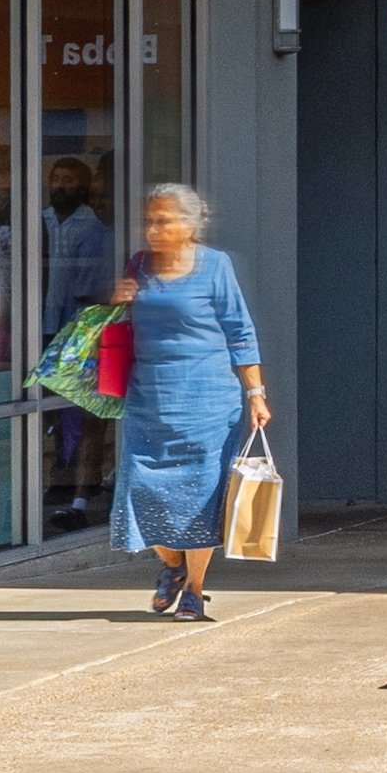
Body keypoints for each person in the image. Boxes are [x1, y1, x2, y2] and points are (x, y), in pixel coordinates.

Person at [102, 181, 270, 625]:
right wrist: (116, 303)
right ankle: (173, 565)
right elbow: (117, 328)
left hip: (208, 402)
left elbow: (240, 331)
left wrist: (255, 392)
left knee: (202, 497)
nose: (153, 229)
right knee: (141, 489)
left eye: (164, 220)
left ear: (190, 225)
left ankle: (195, 589)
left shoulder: (215, 266)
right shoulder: (138, 265)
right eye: (150, 220)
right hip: (149, 399)